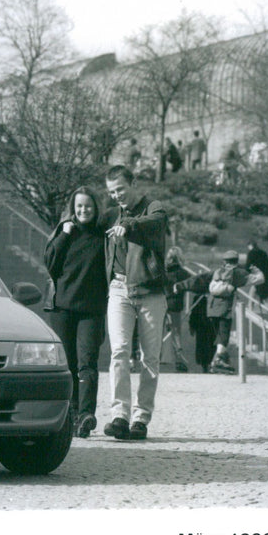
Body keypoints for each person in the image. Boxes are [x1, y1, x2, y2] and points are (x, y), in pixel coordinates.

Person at [103, 165, 168, 441]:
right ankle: (119, 415)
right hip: (119, 289)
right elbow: (87, 220)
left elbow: (155, 223)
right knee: (119, 351)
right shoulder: (111, 214)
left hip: (150, 291)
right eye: (111, 192)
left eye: (120, 189)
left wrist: (128, 225)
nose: (116, 195)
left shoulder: (154, 208)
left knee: (150, 357)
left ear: (133, 183)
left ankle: (141, 418)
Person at [44, 187, 109, 439]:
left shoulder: (103, 235)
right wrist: (64, 235)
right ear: (73, 208)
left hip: (91, 310)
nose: (84, 210)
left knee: (87, 363)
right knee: (68, 364)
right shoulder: (64, 231)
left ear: (96, 207)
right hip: (62, 308)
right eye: (79, 206)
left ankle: (86, 415)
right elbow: (49, 263)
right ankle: (70, 415)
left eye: (88, 206)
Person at [174, 250, 264, 374]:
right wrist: (257, 271)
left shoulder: (216, 272)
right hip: (225, 310)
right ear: (236, 261)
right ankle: (219, 360)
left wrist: (180, 286)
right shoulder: (237, 273)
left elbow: (198, 280)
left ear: (224, 261)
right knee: (223, 336)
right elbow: (260, 279)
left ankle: (218, 361)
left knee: (218, 336)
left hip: (211, 310)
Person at [163, 246, 191, 372]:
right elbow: (192, 282)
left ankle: (155, 356)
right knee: (176, 332)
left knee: (159, 331)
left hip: (162, 303)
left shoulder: (163, 271)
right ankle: (178, 358)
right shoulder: (182, 273)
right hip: (175, 305)